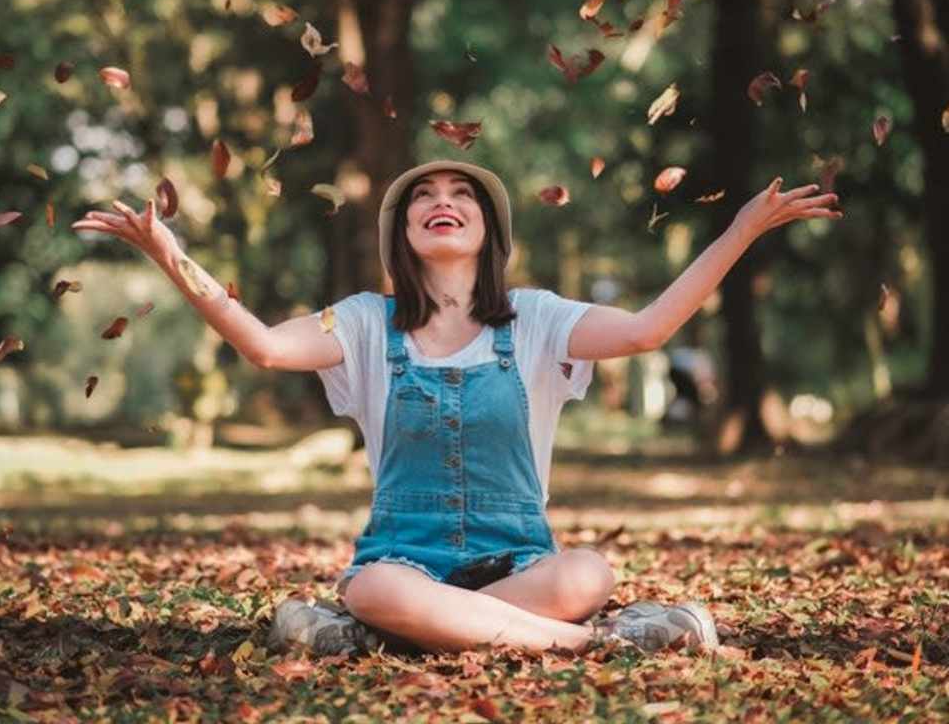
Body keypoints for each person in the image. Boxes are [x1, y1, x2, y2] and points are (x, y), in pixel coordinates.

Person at [72, 159, 841, 658]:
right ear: (405, 235)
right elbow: (266, 347)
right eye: (424, 199)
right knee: (373, 586)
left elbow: (650, 329)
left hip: (522, 567)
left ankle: (391, 638)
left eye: (461, 194)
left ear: (487, 231)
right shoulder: (367, 322)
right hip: (404, 562)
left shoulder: (537, 320)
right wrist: (169, 255)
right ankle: (595, 644)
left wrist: (742, 229)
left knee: (588, 570)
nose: (443, 202)